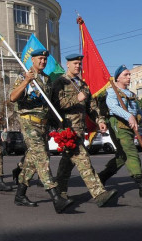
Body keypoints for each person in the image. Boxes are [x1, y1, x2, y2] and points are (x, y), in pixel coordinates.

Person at [9, 48, 74, 213]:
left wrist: (58, 122)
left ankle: (20, 195)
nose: (43, 62)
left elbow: (49, 105)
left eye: (45, 59)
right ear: (32, 60)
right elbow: (12, 97)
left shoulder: (46, 79)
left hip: (43, 125)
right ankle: (56, 197)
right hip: (29, 122)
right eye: (40, 59)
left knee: (32, 161)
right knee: (42, 157)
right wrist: (26, 81)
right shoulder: (24, 75)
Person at [51, 54, 117, 207]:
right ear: (67, 64)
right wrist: (76, 99)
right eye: (75, 63)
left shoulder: (82, 85)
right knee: (83, 160)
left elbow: (91, 107)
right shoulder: (60, 82)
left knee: (67, 163)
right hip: (67, 131)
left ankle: (60, 191)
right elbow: (56, 105)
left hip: (80, 130)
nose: (78, 66)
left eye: (79, 64)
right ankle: (99, 194)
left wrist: (99, 121)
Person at [97, 65, 142, 199]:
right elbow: (113, 108)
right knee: (131, 152)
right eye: (126, 75)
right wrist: (128, 116)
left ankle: (100, 178)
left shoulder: (131, 94)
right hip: (118, 126)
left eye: (129, 75)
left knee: (122, 156)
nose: (129, 77)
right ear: (118, 77)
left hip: (130, 126)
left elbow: (139, 111)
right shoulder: (112, 92)